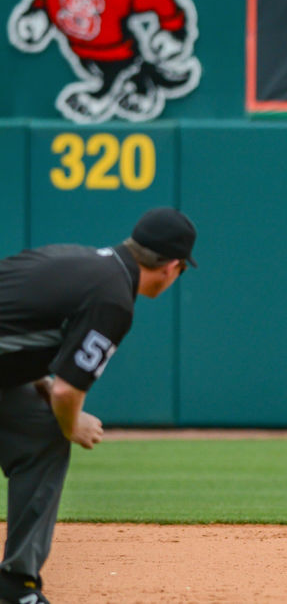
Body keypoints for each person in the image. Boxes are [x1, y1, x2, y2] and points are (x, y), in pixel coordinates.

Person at [0, 207, 197, 603]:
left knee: (41, 434)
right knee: (54, 428)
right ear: (172, 267)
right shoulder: (113, 300)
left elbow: (17, 337)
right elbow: (65, 392)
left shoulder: (75, 258)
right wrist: (73, 425)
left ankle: (16, 586)